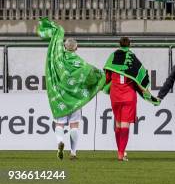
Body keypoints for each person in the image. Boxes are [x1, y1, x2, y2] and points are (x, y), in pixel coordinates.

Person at [37, 18, 106, 161]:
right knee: (74, 125)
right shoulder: (81, 64)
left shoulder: (58, 59)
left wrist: (58, 33)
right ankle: (73, 153)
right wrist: (101, 77)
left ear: (64, 47)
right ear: (76, 48)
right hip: (75, 98)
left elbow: (53, 55)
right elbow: (92, 74)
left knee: (59, 123)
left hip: (60, 96)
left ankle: (59, 143)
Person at [103, 37, 160, 161]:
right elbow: (141, 76)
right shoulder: (132, 58)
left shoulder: (112, 57)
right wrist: (145, 91)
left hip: (115, 95)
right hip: (128, 96)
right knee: (125, 125)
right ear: (129, 45)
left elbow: (106, 77)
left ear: (119, 44)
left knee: (118, 124)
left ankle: (120, 153)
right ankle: (121, 153)